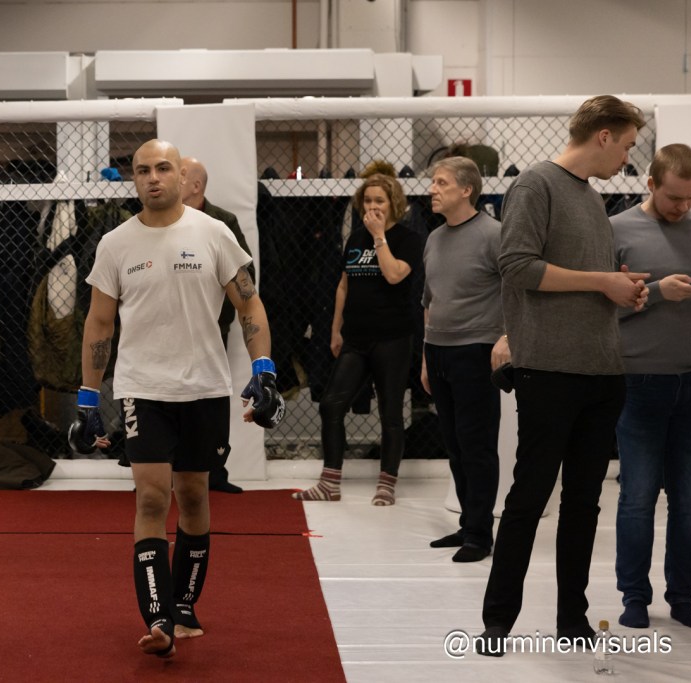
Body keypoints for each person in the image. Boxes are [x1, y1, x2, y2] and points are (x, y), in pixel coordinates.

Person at [71, 139, 283, 658]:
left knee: (193, 496)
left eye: (163, 168)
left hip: (204, 388)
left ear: (182, 177)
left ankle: (184, 605)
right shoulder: (116, 243)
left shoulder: (214, 233)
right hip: (142, 389)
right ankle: (158, 616)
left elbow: (249, 304)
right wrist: (87, 397)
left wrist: (265, 369)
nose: (152, 177)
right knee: (150, 498)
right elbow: (99, 322)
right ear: (134, 179)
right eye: (142, 170)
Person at [476, 95, 649, 655]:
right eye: (626, 144)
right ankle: (498, 622)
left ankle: (571, 619)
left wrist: (620, 286)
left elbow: (581, 276)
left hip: (601, 368)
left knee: (583, 503)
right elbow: (517, 266)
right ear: (603, 135)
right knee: (529, 497)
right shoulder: (536, 185)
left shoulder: (590, 196)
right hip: (550, 370)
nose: (627, 157)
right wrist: (602, 282)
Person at [293, 173, 423, 505]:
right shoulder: (354, 238)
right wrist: (336, 329)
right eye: (367, 200)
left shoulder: (408, 239)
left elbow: (394, 275)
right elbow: (343, 284)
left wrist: (379, 236)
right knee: (331, 404)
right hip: (355, 338)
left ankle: (386, 484)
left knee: (391, 413)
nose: (372, 206)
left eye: (379, 200)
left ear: (393, 203)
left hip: (393, 338)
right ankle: (329, 483)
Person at [610, 143, 691, 630]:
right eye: (673, 198)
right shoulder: (617, 230)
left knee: (689, 500)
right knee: (638, 497)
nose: (682, 207)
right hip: (639, 381)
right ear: (650, 185)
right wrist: (660, 292)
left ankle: (683, 596)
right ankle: (634, 597)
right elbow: (599, 308)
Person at [420, 156, 508, 562]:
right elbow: (429, 301)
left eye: (441, 183)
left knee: (477, 445)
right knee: (454, 445)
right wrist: (425, 357)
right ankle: (468, 523)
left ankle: (480, 535)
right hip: (438, 351)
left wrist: (507, 338)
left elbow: (518, 292)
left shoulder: (494, 234)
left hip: (476, 351)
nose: (432, 189)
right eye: (433, 182)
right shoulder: (434, 238)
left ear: (467, 189)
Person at [179, 155, 254, 494]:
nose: (170, 178)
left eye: (180, 174)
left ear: (196, 185)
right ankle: (159, 471)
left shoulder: (223, 222)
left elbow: (245, 277)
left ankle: (214, 471)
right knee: (164, 399)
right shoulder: (156, 220)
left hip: (210, 327)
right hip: (165, 329)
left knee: (210, 398)